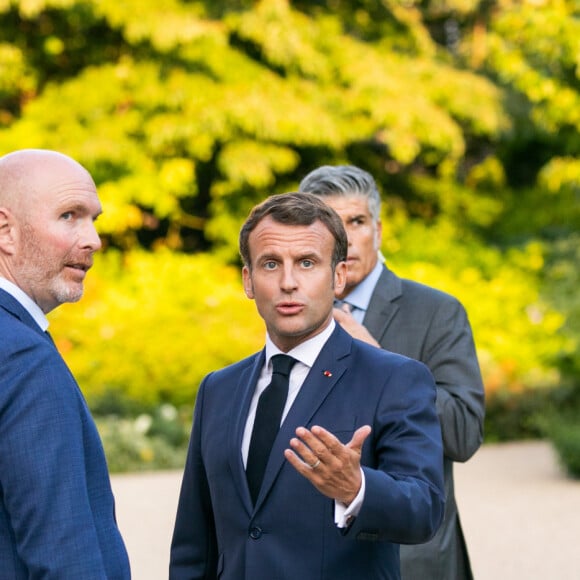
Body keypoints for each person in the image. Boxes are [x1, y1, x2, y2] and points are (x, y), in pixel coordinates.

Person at [170, 191, 445, 580]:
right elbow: (194, 540)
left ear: (338, 276)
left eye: (306, 263)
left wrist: (357, 487)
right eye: (270, 264)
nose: (287, 282)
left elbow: (425, 509)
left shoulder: (395, 378)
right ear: (248, 280)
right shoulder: (218, 388)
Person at [299, 165, 485, 580]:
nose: (345, 238)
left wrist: (378, 358)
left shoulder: (437, 312)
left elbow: (464, 433)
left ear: (378, 230)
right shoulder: (290, 316)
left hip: (410, 560)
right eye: (330, 223)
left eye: (357, 222)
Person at [0, 149, 131, 579]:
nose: (92, 239)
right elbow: (62, 552)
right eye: (70, 216)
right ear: (6, 231)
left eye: (94, 218)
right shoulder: (21, 356)